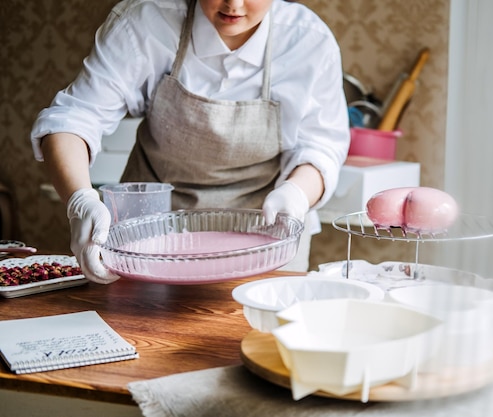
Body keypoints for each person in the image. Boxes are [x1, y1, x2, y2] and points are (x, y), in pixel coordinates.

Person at [30, 0, 349, 284]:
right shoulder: (145, 23)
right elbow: (74, 118)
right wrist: (80, 201)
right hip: (150, 237)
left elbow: (321, 147)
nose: (234, 4)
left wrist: (296, 193)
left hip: (267, 239)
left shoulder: (309, 41)